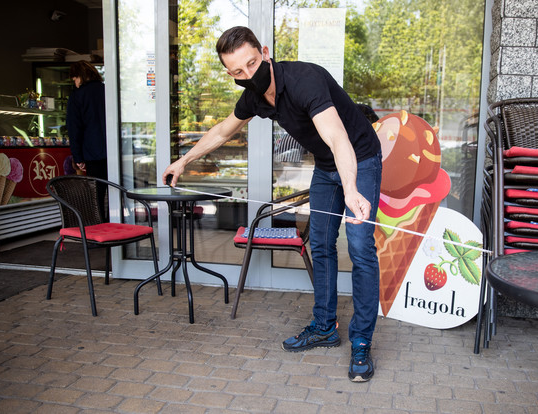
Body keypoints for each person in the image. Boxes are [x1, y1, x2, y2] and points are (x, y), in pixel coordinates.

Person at [162, 26, 382, 382]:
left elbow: (336, 136)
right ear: (230, 73)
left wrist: (352, 188)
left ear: (264, 51)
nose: (248, 75)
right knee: (322, 245)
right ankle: (325, 327)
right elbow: (222, 131)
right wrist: (183, 161)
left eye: (251, 63)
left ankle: (361, 341)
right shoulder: (254, 96)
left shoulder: (304, 79)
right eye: (237, 72)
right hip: (326, 167)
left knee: (359, 247)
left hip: (361, 158)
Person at [67, 60, 108, 219]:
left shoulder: (77, 96)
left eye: (74, 79)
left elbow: (74, 128)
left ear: (80, 77)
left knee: (96, 195)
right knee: (114, 191)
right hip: (113, 151)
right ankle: (116, 224)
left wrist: (78, 157)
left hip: (93, 153)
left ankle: (100, 226)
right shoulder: (106, 91)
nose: (74, 83)